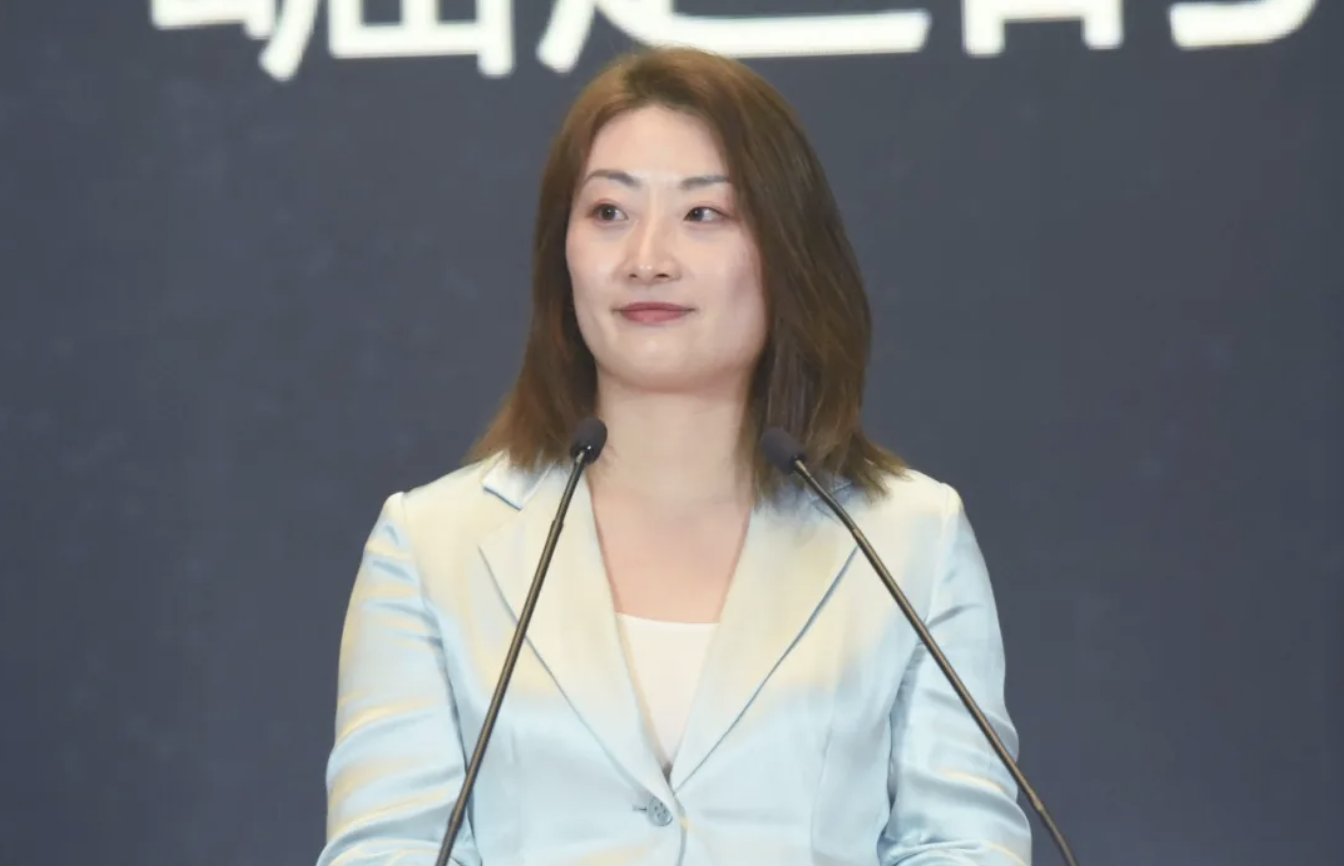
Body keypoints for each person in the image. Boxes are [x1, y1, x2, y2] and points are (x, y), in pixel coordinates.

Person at [316, 46, 1032, 866]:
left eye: (704, 214)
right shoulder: (431, 548)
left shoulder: (909, 539)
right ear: (561, 253)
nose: (647, 258)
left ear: (788, 252)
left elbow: (966, 847)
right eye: (609, 212)